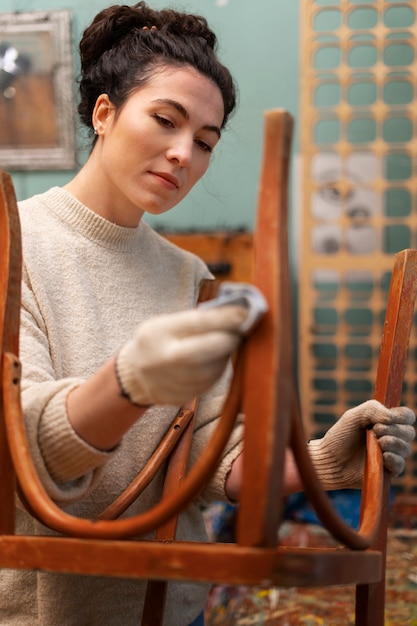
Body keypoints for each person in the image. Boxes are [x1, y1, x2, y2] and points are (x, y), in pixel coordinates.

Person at [3, 3, 415, 625]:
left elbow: (207, 458)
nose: (182, 154)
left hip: (175, 602)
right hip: (49, 608)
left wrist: (322, 462)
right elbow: (23, 454)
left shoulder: (189, 276)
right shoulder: (16, 245)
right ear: (105, 113)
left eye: (204, 142)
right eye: (165, 121)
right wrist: (129, 385)